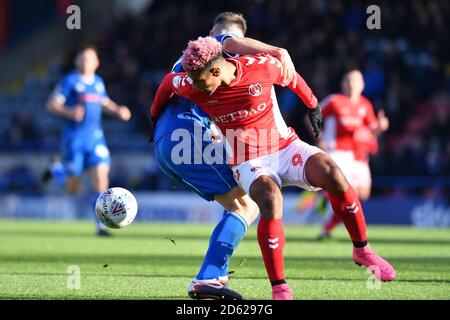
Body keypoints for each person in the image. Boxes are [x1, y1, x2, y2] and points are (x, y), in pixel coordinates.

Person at [151, 37, 397, 300]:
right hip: (247, 160)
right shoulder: (191, 84)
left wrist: (312, 104)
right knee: (270, 198)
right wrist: (155, 117)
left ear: (216, 70)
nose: (197, 87)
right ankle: (279, 287)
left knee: (333, 173)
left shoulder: (260, 67)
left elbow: (291, 77)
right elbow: (168, 83)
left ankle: (362, 249)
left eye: (200, 81)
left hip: (284, 146)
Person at [152, 12, 297, 300]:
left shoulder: (191, 62)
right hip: (188, 136)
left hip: (166, 142)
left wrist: (154, 119)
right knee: (247, 206)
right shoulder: (221, 50)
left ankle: (212, 276)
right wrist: (278, 52)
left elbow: (168, 84)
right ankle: (209, 278)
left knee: (239, 202)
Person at [47, 47, 131, 236]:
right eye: (83, 59)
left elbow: (104, 102)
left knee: (101, 181)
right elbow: (51, 104)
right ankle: (59, 171)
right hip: (74, 139)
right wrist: (69, 112)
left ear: (96, 63)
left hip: (95, 139)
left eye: (89, 59)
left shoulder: (98, 83)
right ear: (77, 62)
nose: (86, 63)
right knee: (73, 188)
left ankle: (101, 226)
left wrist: (118, 110)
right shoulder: (70, 81)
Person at [317, 70, 389, 239]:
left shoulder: (365, 105)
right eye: (348, 80)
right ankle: (326, 201)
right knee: (347, 194)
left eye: (355, 81)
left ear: (362, 85)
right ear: (343, 83)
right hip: (338, 152)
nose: (352, 84)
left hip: (358, 155)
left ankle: (325, 198)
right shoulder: (334, 101)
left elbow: (373, 131)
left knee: (362, 194)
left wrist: (381, 127)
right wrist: (319, 137)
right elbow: (312, 117)